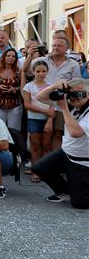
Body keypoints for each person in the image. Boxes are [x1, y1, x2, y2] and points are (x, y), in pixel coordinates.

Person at [32, 78, 89, 208]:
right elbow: (39, 97)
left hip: (82, 161)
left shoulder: (74, 108)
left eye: (79, 94)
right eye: (71, 94)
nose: (74, 98)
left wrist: (63, 108)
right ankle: (64, 191)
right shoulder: (71, 105)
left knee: (80, 204)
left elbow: (75, 132)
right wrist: (54, 86)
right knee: (39, 168)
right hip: (65, 152)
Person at [23, 60, 56, 183]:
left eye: (43, 71)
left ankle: (44, 170)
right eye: (38, 71)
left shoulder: (51, 86)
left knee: (46, 145)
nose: (41, 74)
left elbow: (54, 105)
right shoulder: (29, 86)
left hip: (48, 120)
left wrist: (49, 120)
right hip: (34, 119)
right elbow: (27, 105)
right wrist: (45, 111)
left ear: (47, 72)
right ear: (33, 72)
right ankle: (35, 170)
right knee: (35, 145)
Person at [0, 49, 23, 132]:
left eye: (13, 56)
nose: (11, 58)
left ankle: (14, 145)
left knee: (14, 131)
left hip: (15, 104)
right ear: (4, 57)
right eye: (8, 55)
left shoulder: (19, 71)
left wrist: (15, 89)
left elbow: (23, 86)